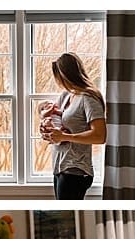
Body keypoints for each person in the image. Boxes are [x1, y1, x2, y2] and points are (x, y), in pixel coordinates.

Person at [43, 52, 106, 200]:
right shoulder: (66, 95)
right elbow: (56, 120)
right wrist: (46, 129)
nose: (58, 82)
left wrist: (65, 136)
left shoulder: (89, 98)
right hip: (60, 166)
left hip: (76, 170)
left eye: (59, 77)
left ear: (67, 75)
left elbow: (100, 136)